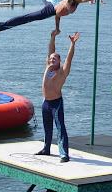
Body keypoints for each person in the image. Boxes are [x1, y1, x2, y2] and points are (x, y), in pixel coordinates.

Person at [35, 29, 80, 163]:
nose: (51, 59)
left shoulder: (62, 72)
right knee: (47, 127)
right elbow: (51, 49)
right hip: (45, 103)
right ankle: (46, 148)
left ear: (59, 61)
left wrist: (72, 44)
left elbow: (69, 59)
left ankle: (64, 154)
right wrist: (53, 37)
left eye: (54, 58)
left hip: (56, 103)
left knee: (60, 128)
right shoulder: (47, 67)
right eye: (50, 58)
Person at [0, 0, 106, 34]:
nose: (70, 11)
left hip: (54, 2)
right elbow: (57, 16)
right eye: (69, 9)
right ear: (68, 6)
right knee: (28, 18)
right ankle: (3, 25)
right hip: (51, 10)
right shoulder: (63, 9)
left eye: (71, 10)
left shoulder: (77, 0)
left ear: (75, 5)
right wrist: (57, 29)